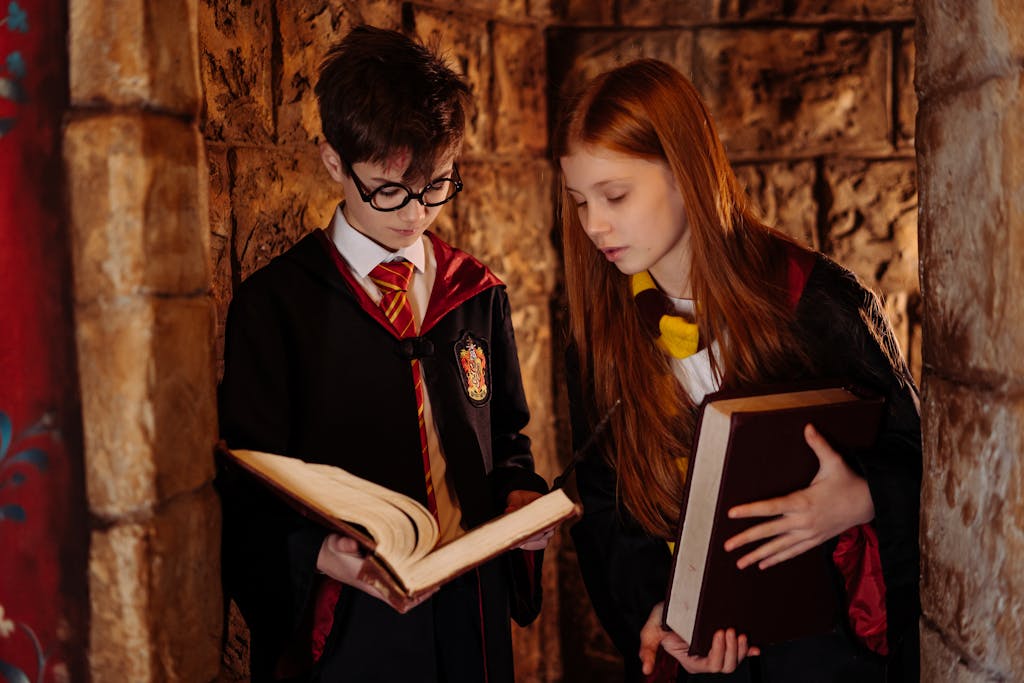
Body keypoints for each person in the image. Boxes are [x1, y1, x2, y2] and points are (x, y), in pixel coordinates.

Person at [556, 59, 921, 682]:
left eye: (615, 196)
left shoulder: (815, 301)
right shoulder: (601, 339)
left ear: (686, 174)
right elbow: (606, 507)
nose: (593, 224)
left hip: (827, 652)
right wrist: (660, 616)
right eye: (580, 201)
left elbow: (921, 456)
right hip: (706, 661)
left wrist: (861, 498)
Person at [217, 25, 553, 683]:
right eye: (390, 189)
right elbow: (248, 485)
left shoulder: (474, 292)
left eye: (438, 185)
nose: (415, 214)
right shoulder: (276, 306)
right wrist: (319, 554)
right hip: (350, 619)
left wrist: (521, 496)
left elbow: (508, 439)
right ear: (334, 162)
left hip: (469, 608)